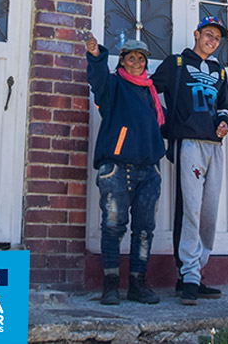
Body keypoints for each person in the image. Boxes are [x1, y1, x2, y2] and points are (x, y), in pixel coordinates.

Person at [151, 16, 228, 306]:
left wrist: (223, 123)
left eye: (217, 38)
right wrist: (166, 125)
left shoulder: (219, 71)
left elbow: (224, 106)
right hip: (188, 144)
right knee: (191, 209)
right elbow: (149, 91)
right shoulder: (176, 64)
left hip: (214, 146)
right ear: (196, 34)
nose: (212, 40)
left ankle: (195, 272)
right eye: (208, 34)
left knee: (209, 212)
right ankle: (188, 276)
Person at [86, 33, 166, 305]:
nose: (135, 62)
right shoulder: (113, 85)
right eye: (130, 57)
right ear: (122, 61)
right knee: (112, 227)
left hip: (148, 172)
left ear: (146, 63)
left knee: (144, 230)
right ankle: (110, 285)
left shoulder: (149, 90)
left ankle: (137, 284)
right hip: (116, 169)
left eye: (140, 58)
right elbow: (97, 80)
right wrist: (96, 56)